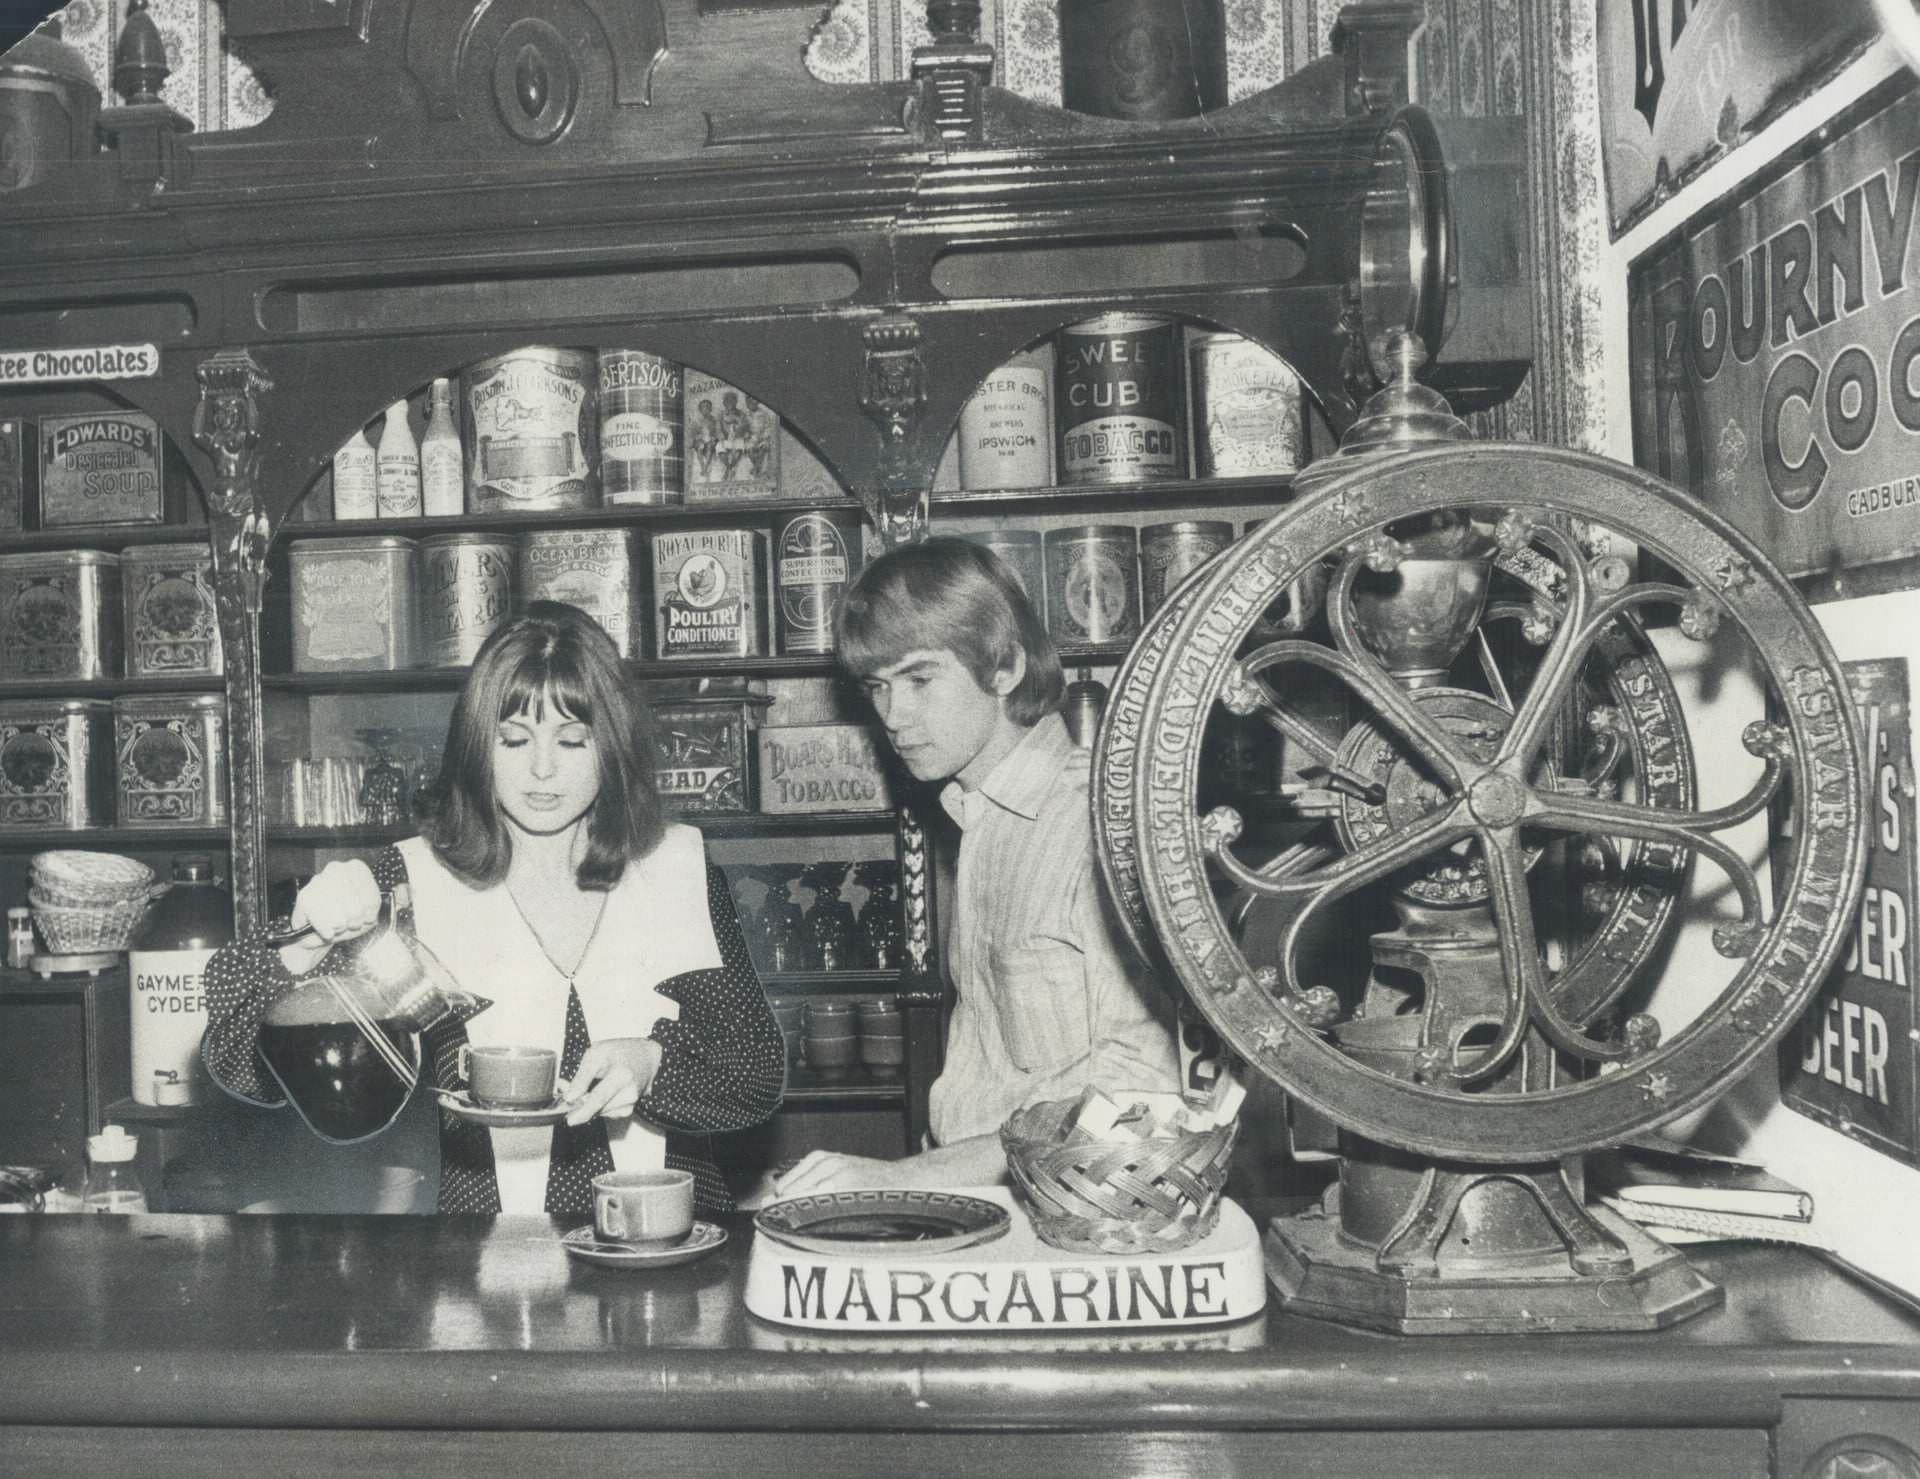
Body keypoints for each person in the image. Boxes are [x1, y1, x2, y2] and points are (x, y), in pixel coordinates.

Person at [202, 602, 784, 1215]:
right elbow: (240, 1064)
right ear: (479, 745)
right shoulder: (408, 886)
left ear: (610, 746)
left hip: (669, 1251)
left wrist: (652, 1063)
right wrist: (306, 940)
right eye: (514, 739)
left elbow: (754, 1074)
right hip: (480, 1262)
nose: (541, 769)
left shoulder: (678, 868)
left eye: (571, 739)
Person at [773, 538, 1181, 1195]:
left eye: (920, 679)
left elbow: (1142, 1100)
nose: (893, 717)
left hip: (1070, 1220)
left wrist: (912, 1177)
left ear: (1005, 666)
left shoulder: (1090, 825)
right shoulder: (978, 817)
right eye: (878, 686)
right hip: (988, 1204)